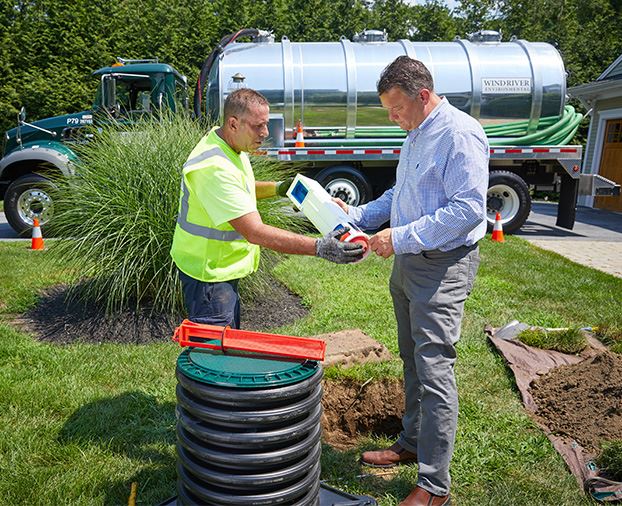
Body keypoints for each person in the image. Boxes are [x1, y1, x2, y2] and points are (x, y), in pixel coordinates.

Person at [335, 56, 489, 506]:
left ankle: (434, 485)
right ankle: (412, 442)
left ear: (422, 96)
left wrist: (399, 237)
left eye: (395, 108)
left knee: (435, 369)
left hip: (441, 267)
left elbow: (467, 210)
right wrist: (358, 215)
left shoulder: (459, 135)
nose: (392, 117)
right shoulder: (416, 134)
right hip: (409, 265)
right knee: (411, 359)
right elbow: (400, 194)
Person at [170, 88, 364, 328]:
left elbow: (240, 188)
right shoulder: (214, 168)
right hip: (209, 278)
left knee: (227, 347)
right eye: (257, 126)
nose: (265, 133)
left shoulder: (225, 144)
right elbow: (255, 232)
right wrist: (319, 247)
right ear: (233, 123)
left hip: (218, 272)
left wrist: (280, 188)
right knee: (213, 357)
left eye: (266, 124)